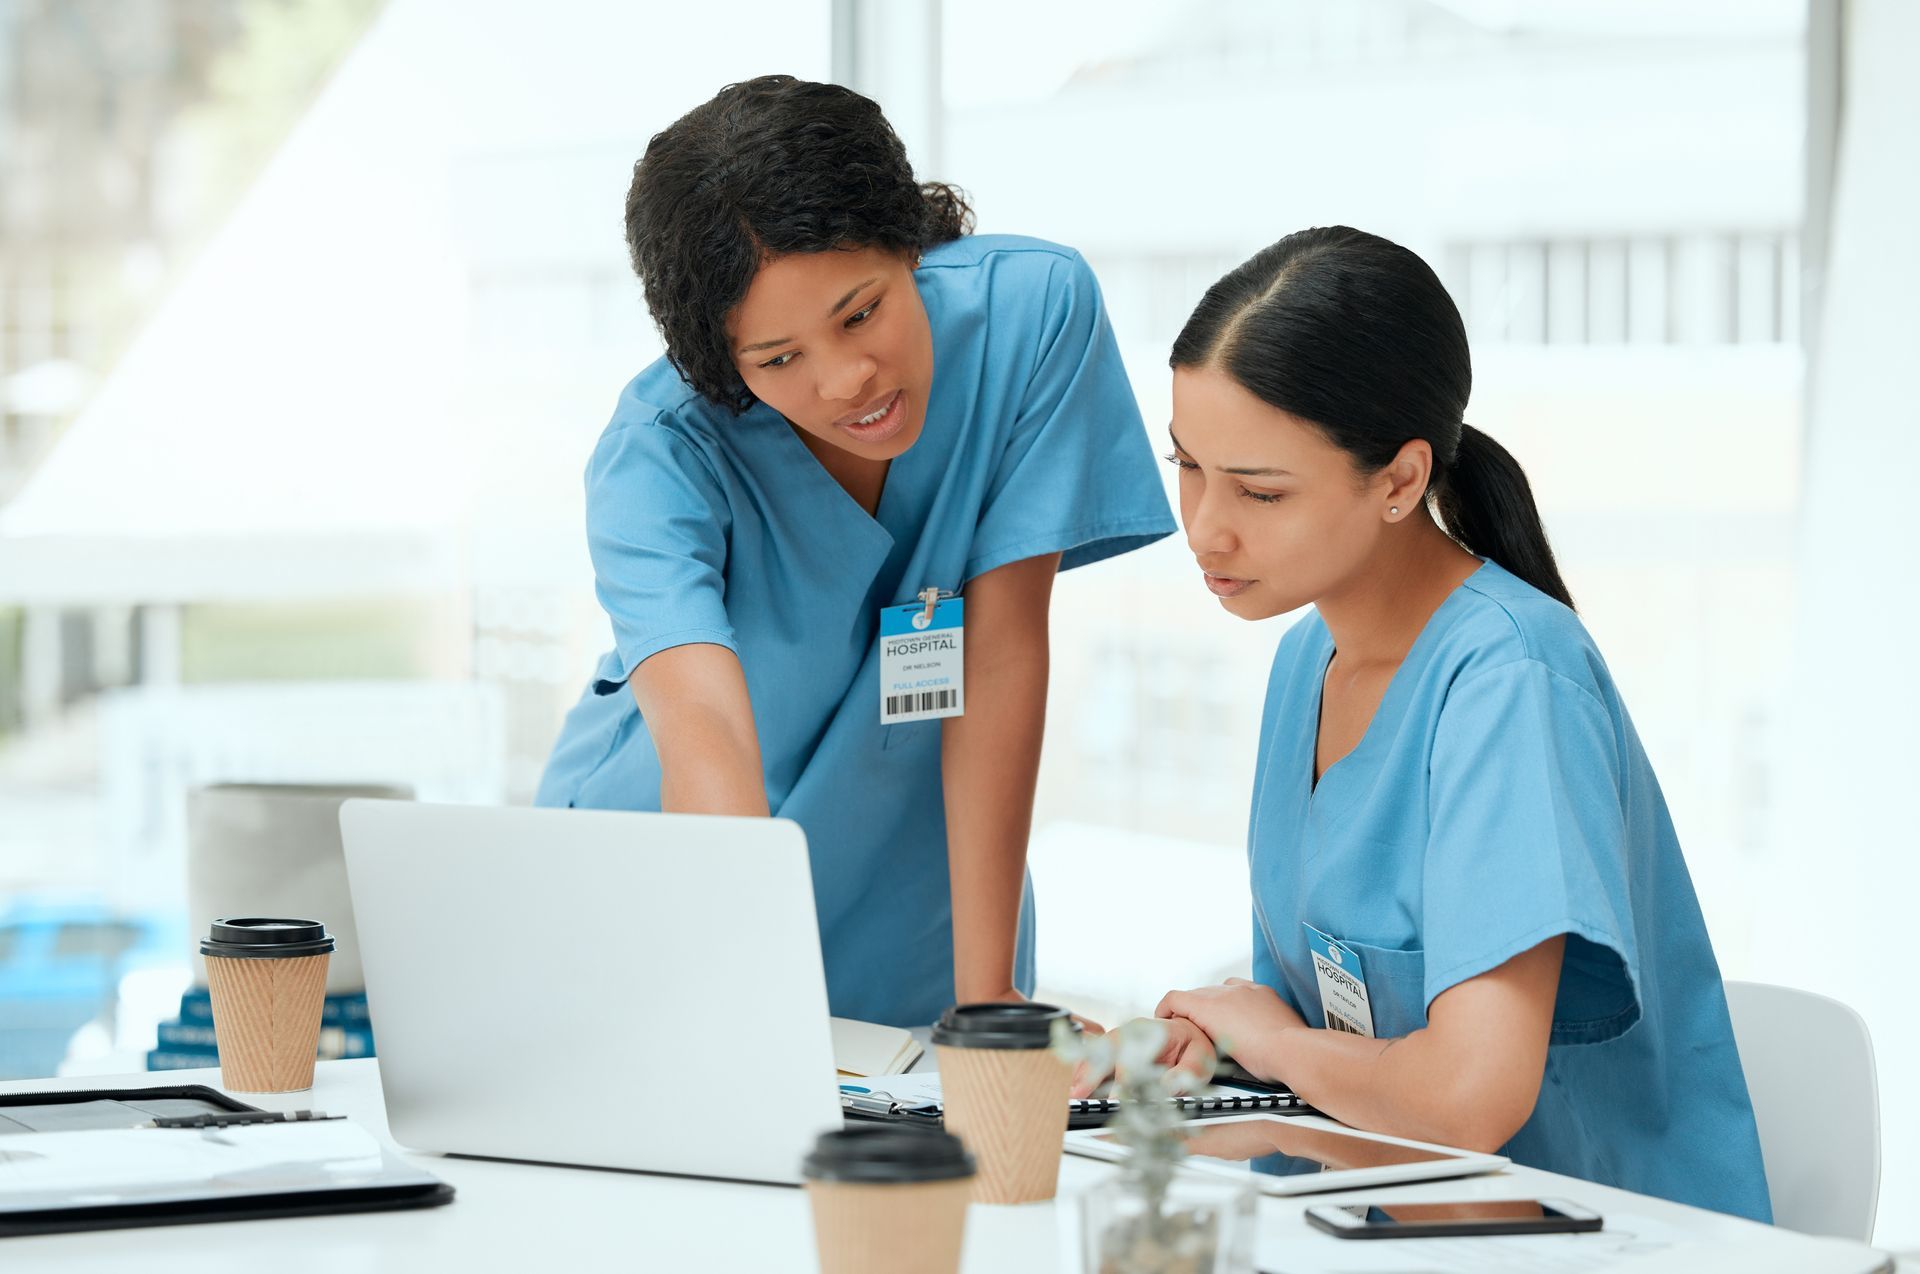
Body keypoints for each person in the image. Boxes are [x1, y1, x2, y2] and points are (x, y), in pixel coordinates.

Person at [1110, 226, 1770, 1220]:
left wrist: (1275, 1042)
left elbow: (1469, 1095)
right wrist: (1228, 1035)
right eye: (1188, 466)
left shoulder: (1512, 678)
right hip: (1376, 1213)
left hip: (1571, 1234)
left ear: (1401, 480)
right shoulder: (1308, 659)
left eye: (1258, 489)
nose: (1205, 526)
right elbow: (1337, 1001)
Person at [534, 76, 1174, 1028]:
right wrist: (738, 1010)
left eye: (861, 312)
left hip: (917, 914)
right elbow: (705, 732)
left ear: (906, 240)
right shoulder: (661, 453)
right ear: (722, 364)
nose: (846, 382)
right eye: (777, 359)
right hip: (673, 898)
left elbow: (998, 651)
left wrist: (989, 995)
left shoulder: (1032, 315)